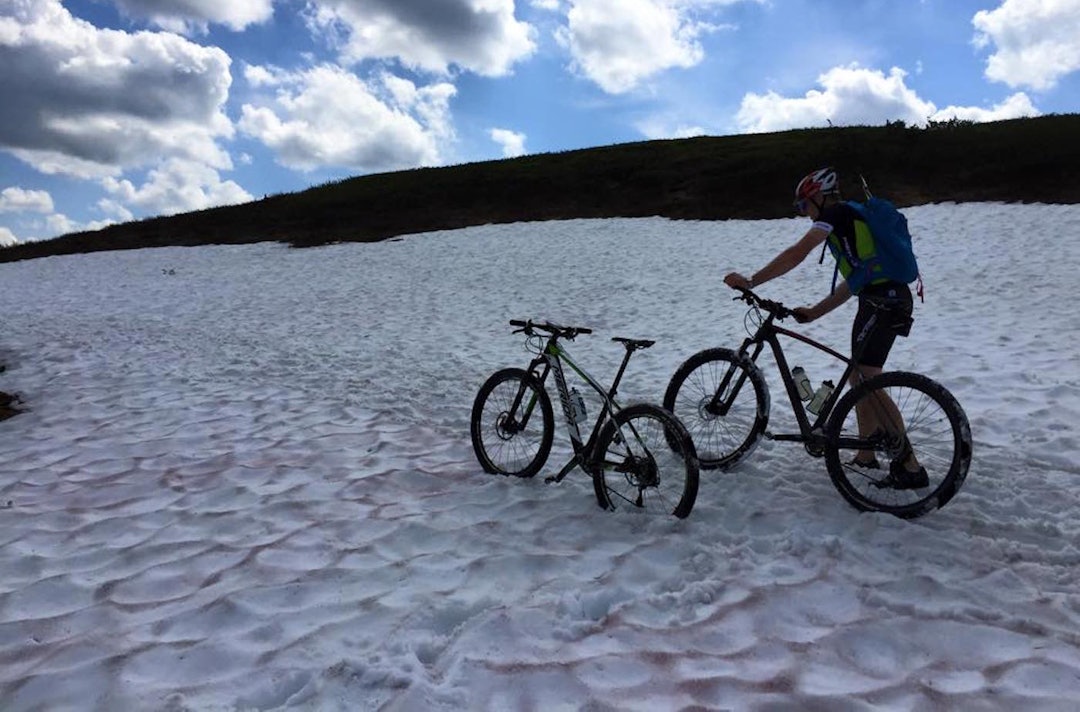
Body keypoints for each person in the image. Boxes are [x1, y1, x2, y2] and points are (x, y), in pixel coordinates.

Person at [722, 167, 927, 489]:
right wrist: (816, 312)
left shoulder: (837, 213)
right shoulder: (851, 227)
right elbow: (855, 281)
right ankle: (866, 455)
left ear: (819, 196)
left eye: (804, 205)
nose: (804, 213)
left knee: (865, 377)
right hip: (883, 298)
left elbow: (796, 253)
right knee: (860, 375)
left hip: (883, 301)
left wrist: (751, 281)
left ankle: (909, 465)